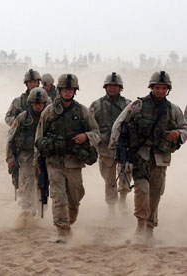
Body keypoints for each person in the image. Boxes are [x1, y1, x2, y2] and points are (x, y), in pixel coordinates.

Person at [110, 71, 187, 240]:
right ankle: (140, 224)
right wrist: (115, 149)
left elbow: (184, 128)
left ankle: (150, 227)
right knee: (141, 191)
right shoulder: (137, 105)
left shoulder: (173, 110)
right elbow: (119, 123)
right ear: (151, 87)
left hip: (161, 157)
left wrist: (178, 133)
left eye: (163, 88)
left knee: (155, 193)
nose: (160, 91)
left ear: (168, 89)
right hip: (141, 155)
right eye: (157, 87)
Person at [35, 73, 100, 243]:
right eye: (65, 89)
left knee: (75, 196)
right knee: (58, 196)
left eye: (71, 90)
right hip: (54, 161)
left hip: (74, 161)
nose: (68, 92)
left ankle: (69, 222)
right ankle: (62, 231)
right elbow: (39, 137)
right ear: (59, 90)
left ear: (74, 91)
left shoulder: (82, 111)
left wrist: (85, 136)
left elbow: (96, 133)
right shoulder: (49, 112)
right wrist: (38, 161)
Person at [89, 73, 132, 215]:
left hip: (124, 147)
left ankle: (123, 199)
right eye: (110, 86)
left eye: (116, 86)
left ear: (120, 88)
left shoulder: (128, 105)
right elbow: (90, 126)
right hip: (105, 148)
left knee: (126, 174)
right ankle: (111, 208)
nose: (113, 88)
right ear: (105, 87)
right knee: (109, 180)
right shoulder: (97, 105)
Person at [6, 87, 49, 226]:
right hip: (26, 156)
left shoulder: (49, 117)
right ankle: (27, 214)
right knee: (27, 184)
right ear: (30, 103)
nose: (38, 106)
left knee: (42, 184)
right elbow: (10, 139)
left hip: (44, 156)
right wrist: (10, 159)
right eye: (35, 104)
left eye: (41, 103)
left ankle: (41, 210)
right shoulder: (22, 117)